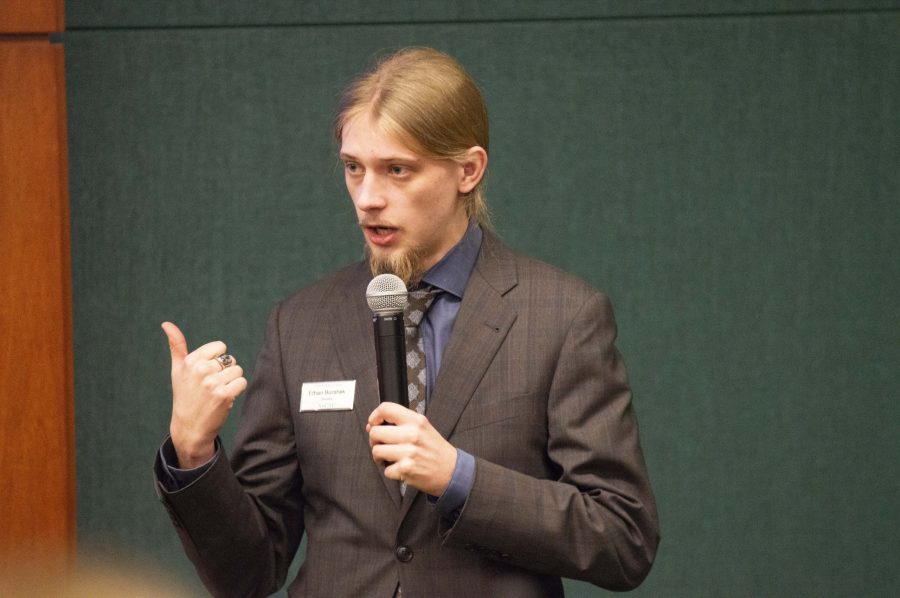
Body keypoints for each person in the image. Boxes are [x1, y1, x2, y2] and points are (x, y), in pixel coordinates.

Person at [154, 47, 659, 597]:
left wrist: (457, 477)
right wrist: (194, 450)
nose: (368, 198)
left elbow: (623, 539)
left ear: (468, 170)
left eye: (398, 169)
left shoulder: (562, 317)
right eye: (354, 168)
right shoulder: (299, 324)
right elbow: (247, 575)